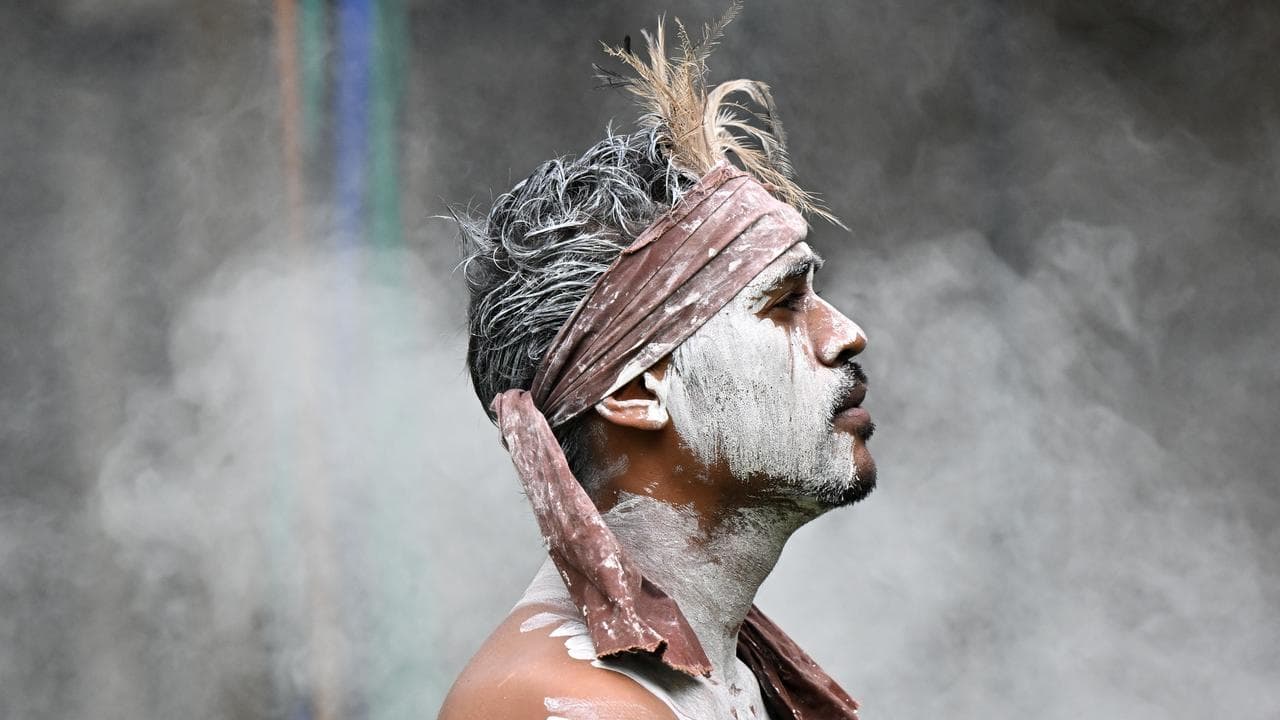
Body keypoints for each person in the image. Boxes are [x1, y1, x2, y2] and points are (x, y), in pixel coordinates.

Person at [439, 10, 873, 719]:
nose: (847, 334)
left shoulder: (727, 686)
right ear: (640, 389)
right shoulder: (559, 705)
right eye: (785, 302)